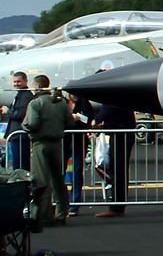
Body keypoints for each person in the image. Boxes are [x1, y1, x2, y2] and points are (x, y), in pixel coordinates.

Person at [22, 74, 70, 225]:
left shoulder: (35, 104)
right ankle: (62, 213)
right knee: (58, 179)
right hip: (57, 143)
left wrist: (24, 126)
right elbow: (70, 122)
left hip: (40, 144)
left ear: (36, 86)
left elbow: (33, 124)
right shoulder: (61, 103)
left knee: (42, 181)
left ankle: (44, 214)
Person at [92, 96, 137, 217]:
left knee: (118, 170)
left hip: (120, 134)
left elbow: (108, 110)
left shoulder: (113, 95)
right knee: (120, 170)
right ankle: (118, 205)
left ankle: (116, 207)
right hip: (122, 132)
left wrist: (96, 120)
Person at [64, 91, 94, 215]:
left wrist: (80, 119)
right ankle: (59, 201)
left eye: (77, 93)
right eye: (72, 93)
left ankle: (74, 203)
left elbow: (89, 118)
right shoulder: (62, 102)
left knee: (77, 170)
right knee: (59, 171)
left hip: (79, 140)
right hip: (64, 140)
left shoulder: (85, 103)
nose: (75, 96)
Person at [1, 71, 34, 172]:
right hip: (16, 136)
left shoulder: (26, 96)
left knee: (21, 166)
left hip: (20, 136)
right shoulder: (21, 95)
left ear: (25, 81)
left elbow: (22, 114)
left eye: (19, 81)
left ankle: (23, 185)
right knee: (18, 165)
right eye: (15, 82)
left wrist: (8, 112)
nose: (16, 84)